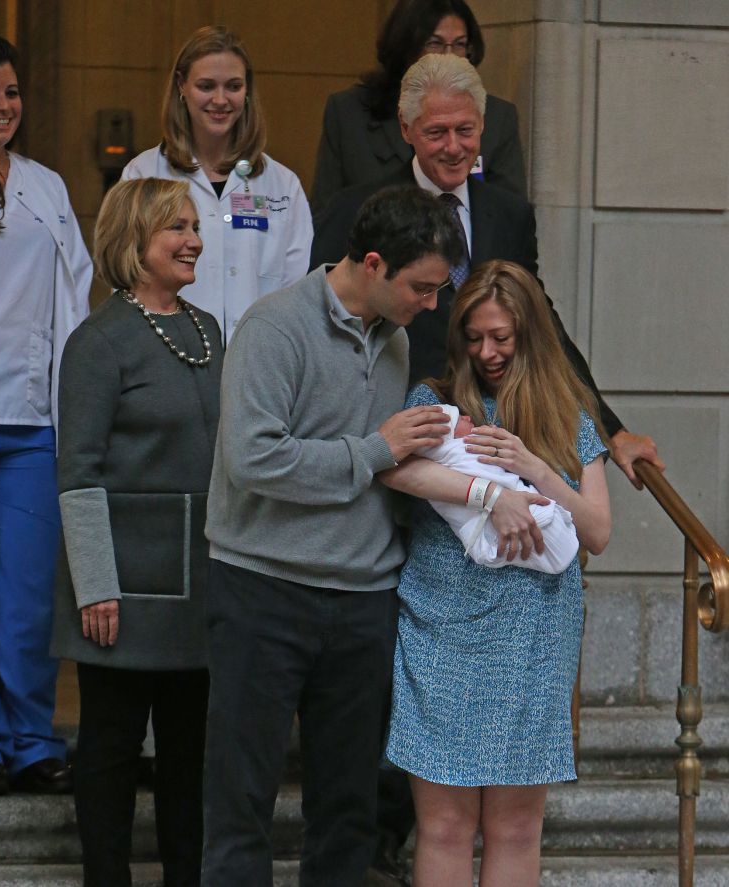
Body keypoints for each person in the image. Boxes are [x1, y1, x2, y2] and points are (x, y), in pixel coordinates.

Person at [200, 186, 465, 887]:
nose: (431, 305)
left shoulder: (397, 342)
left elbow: (384, 463)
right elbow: (253, 459)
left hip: (362, 600)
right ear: (373, 263)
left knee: (348, 812)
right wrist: (373, 450)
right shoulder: (273, 328)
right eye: (421, 287)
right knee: (240, 806)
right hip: (262, 590)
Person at [310, 53, 663, 488]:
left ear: (483, 123)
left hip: (497, 438)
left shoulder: (509, 213)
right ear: (406, 129)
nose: (454, 147)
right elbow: (324, 326)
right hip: (396, 446)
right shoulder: (355, 210)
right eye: (436, 132)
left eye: (466, 130)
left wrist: (612, 429)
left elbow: (541, 324)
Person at [381, 260, 611, 886]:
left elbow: (597, 530)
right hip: (442, 627)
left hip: (534, 632)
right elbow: (393, 468)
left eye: (502, 338)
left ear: (529, 335)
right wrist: (487, 489)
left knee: (514, 828)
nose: (487, 352)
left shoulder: (570, 415)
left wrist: (533, 467)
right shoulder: (434, 400)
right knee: (446, 826)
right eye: (475, 337)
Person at [51, 178, 223, 887]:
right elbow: (79, 469)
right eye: (174, 229)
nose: (192, 240)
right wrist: (96, 582)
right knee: (112, 750)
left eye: (193, 225)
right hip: (120, 581)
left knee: (190, 754)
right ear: (133, 242)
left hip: (200, 576)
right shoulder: (98, 341)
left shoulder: (210, 329)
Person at [0, 35, 91, 797]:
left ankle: (30, 738)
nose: (1, 107)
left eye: (10, 93)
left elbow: (76, 296)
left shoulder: (46, 186)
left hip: (32, 424)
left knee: (25, 596)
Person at [122, 25, 312, 344]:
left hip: (258, 361)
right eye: (206, 86)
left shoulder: (282, 184)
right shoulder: (142, 174)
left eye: (233, 86)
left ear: (247, 90)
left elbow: (295, 294)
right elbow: (125, 281)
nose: (220, 100)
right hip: (168, 356)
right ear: (182, 85)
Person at [310, 0, 526, 214]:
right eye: (435, 43)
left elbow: (509, 220)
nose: (448, 55)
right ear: (406, 47)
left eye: (460, 44)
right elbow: (325, 217)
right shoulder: (350, 113)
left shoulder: (498, 117)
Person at [417, 405, 579, 574]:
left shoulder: (573, 414)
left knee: (553, 541)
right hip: (482, 540)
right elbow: (397, 468)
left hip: (555, 582)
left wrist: (538, 470)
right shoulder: (455, 448)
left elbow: (598, 536)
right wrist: (494, 497)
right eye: (459, 418)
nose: (468, 418)